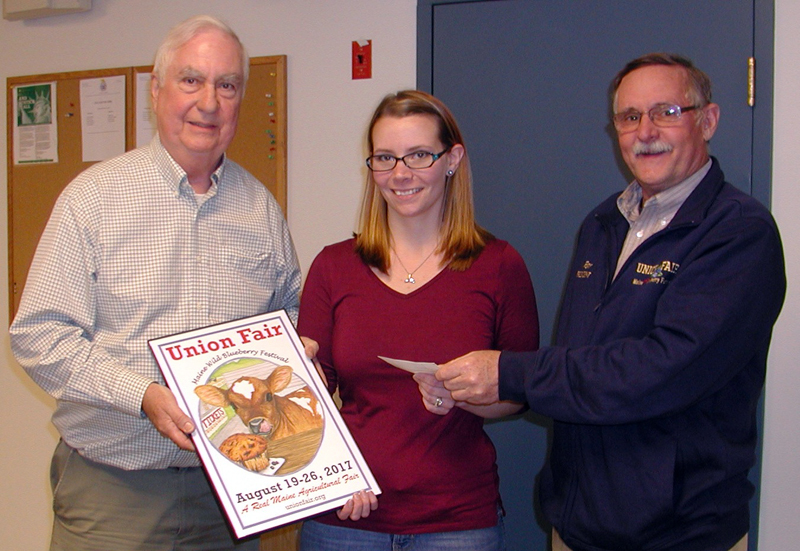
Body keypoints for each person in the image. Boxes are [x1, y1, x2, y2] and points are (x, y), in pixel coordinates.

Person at [436, 53, 786, 551]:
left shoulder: (738, 233)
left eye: (666, 111)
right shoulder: (604, 223)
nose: (645, 131)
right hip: (578, 528)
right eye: (629, 117)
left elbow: (660, 371)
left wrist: (512, 373)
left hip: (681, 535)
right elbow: (581, 363)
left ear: (707, 121)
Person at [9, 15, 301, 551]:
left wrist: (296, 354)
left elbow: (291, 315)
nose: (209, 102)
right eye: (191, 80)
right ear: (156, 88)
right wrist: (142, 395)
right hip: (113, 493)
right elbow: (39, 335)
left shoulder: (260, 209)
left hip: (231, 491)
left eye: (227, 85)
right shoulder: (93, 199)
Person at [297, 90, 539, 550]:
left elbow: (518, 395)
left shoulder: (500, 265)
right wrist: (333, 473)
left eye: (419, 155)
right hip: (345, 518)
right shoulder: (332, 267)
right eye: (384, 157)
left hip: (456, 522)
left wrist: (464, 396)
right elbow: (311, 398)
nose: (400, 173)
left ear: (452, 159)